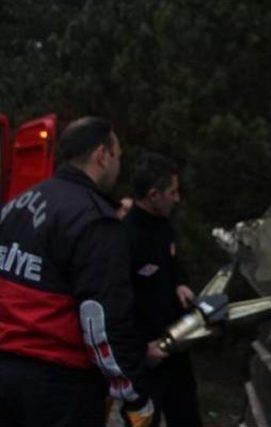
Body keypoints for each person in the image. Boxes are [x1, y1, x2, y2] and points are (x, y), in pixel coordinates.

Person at [0, 117, 154, 427]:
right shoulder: (94, 220)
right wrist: (134, 392)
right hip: (57, 386)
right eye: (118, 155)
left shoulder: (17, 205)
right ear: (102, 154)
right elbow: (104, 319)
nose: (118, 164)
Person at [122, 152, 202, 427]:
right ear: (153, 195)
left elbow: (172, 261)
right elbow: (115, 304)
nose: (178, 198)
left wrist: (180, 282)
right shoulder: (125, 238)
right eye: (173, 192)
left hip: (176, 349)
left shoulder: (164, 224)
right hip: (146, 360)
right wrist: (140, 351)